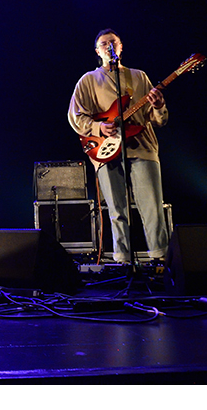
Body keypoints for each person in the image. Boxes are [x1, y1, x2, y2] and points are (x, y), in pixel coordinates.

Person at [67, 29, 169, 264]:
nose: (108, 46)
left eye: (113, 42)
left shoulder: (139, 77)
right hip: (105, 151)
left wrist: (159, 106)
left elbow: (158, 120)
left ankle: (160, 259)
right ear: (97, 51)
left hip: (142, 147)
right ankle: (122, 261)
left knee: (152, 207)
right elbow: (75, 117)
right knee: (116, 209)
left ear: (120, 47)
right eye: (103, 43)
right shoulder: (89, 80)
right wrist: (98, 128)